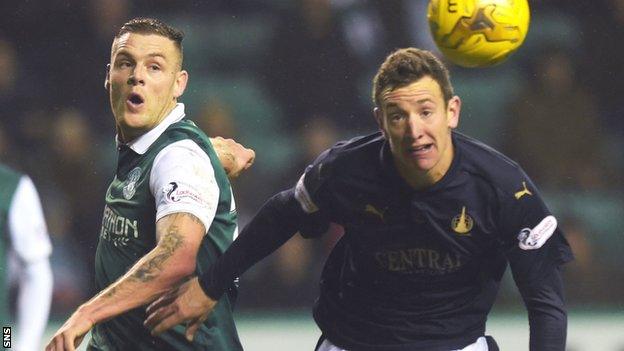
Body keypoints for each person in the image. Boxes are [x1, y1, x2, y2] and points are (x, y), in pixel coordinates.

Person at [145, 48, 574, 351]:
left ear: (453, 112)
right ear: (380, 122)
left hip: (455, 343)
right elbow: (282, 214)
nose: (414, 129)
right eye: (397, 116)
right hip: (354, 341)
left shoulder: (504, 187)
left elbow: (545, 303)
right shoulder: (345, 169)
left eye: (426, 111)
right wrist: (210, 284)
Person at [46, 17, 255, 351]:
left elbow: (177, 256)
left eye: (154, 67)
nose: (136, 76)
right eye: (125, 63)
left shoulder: (179, 158)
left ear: (178, 83)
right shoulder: (147, 152)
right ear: (108, 75)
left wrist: (87, 314)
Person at [0, 163, 53, 351]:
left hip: (2, 332)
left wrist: (26, 347)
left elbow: (37, 274)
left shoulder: (10, 185)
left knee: (4, 338)